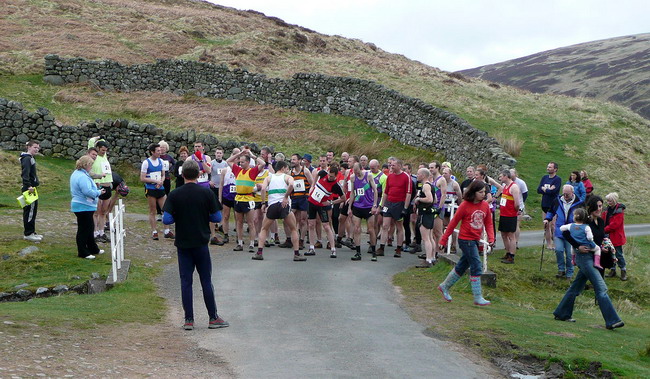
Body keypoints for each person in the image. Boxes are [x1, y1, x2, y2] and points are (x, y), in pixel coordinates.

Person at [162, 159, 229, 331]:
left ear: (182, 175)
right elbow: (217, 218)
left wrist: (180, 216)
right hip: (201, 242)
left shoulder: (175, 194)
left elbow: (167, 219)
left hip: (183, 243)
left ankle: (189, 319)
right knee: (206, 280)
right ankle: (213, 317)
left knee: (186, 281)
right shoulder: (206, 193)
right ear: (199, 174)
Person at [552, 198, 625, 330]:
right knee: (601, 288)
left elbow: (601, 238)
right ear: (590, 208)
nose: (599, 208)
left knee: (575, 287)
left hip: (595, 256)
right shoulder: (584, 222)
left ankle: (561, 313)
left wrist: (604, 247)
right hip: (584, 257)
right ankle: (612, 320)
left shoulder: (601, 222)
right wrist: (577, 246)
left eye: (601, 206)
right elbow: (567, 233)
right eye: (597, 206)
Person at [437, 181, 495, 306]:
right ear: (473, 193)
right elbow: (453, 223)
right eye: (480, 192)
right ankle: (477, 296)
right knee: (476, 264)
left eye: (484, 192)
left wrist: (491, 238)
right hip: (465, 240)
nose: (483, 194)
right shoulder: (464, 205)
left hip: (475, 239)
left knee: (462, 266)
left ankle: (444, 286)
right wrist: (443, 240)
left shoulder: (485, 205)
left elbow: (489, 223)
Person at [253, 161, 307, 261]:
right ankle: (296, 254)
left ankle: (259, 252)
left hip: (272, 205)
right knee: (294, 229)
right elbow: (292, 185)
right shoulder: (287, 177)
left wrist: (264, 203)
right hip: (283, 205)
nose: (288, 170)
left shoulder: (269, 177)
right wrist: (286, 196)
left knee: (264, 229)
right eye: (287, 169)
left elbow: (263, 188)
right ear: (283, 168)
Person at [226, 147, 265, 252]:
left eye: (243, 162)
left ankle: (252, 243)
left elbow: (263, 163)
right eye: (240, 162)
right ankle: (239, 243)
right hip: (239, 198)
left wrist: (252, 155)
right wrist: (239, 155)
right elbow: (228, 161)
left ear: (248, 162)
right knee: (239, 222)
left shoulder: (252, 171)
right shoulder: (237, 170)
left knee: (250, 222)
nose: (241, 163)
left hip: (248, 198)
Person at [544, 185, 583, 279]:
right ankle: (561, 269)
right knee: (558, 250)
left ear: (572, 193)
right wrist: (547, 219)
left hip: (572, 232)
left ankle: (569, 273)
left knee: (569, 255)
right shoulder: (557, 201)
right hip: (559, 230)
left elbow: (583, 215)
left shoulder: (579, 202)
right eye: (564, 193)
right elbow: (551, 211)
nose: (565, 195)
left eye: (567, 194)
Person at [70, 156, 105, 259]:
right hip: (83, 206)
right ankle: (83, 252)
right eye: (91, 165)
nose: (91, 167)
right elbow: (87, 191)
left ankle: (93, 248)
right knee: (84, 229)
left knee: (89, 228)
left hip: (84, 205)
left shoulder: (79, 174)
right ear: (86, 165)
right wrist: (99, 192)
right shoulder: (82, 176)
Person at [307, 165, 345, 258]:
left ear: (336, 176)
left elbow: (343, 198)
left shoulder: (336, 185)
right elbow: (317, 174)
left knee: (326, 226)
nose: (329, 177)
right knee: (311, 224)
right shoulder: (323, 174)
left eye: (331, 176)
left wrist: (331, 202)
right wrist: (313, 185)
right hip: (312, 202)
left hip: (322, 205)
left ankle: (333, 249)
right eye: (329, 175)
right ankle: (311, 248)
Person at [377, 158, 412, 258]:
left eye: (393, 165)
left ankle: (399, 248)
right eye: (391, 165)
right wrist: (382, 205)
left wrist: (405, 207)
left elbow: (408, 193)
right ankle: (382, 247)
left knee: (399, 226)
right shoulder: (390, 177)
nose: (391, 167)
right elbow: (386, 192)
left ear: (400, 166)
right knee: (385, 225)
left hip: (399, 203)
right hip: (389, 203)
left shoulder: (406, 177)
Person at [141, 143, 173, 240]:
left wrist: (161, 181)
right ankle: (154, 231)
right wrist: (155, 181)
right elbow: (142, 178)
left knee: (165, 209)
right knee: (152, 211)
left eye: (160, 150)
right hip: (151, 189)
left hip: (160, 188)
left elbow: (163, 174)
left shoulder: (161, 161)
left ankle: (167, 230)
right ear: (152, 152)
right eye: (158, 151)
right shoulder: (146, 163)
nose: (160, 152)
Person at [348, 162, 379, 261]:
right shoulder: (353, 178)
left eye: (357, 171)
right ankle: (358, 252)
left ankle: (374, 252)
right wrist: (349, 207)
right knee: (357, 229)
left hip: (368, 206)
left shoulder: (368, 176)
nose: (356, 173)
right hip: (357, 206)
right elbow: (352, 193)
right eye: (354, 171)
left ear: (361, 169)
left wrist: (375, 205)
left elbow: (375, 190)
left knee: (371, 230)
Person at [91, 140, 114, 243]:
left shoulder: (105, 157)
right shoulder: (94, 158)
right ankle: (95, 233)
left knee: (104, 212)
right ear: (98, 149)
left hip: (108, 186)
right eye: (102, 150)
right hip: (99, 186)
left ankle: (102, 232)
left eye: (105, 151)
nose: (104, 152)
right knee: (96, 211)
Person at [20, 141, 42, 242]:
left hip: (32, 187)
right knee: (30, 210)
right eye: (34, 147)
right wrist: (28, 185)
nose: (36, 149)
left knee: (32, 210)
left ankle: (31, 231)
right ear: (28, 147)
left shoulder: (31, 158)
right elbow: (25, 173)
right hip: (29, 188)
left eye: (38, 148)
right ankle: (28, 233)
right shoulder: (27, 158)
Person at [414, 168, 436, 268]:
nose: (417, 175)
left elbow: (430, 199)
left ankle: (428, 260)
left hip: (425, 214)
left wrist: (419, 199)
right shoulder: (430, 185)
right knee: (430, 237)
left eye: (418, 174)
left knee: (426, 238)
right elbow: (435, 200)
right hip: (429, 213)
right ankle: (432, 258)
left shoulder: (426, 186)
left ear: (423, 175)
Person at [603, 192, 628, 281]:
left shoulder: (619, 211)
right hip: (608, 235)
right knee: (610, 253)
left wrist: (604, 229)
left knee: (618, 254)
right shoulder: (607, 210)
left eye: (610, 201)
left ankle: (623, 270)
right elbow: (603, 219)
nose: (608, 202)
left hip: (616, 236)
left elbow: (615, 225)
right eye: (608, 201)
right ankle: (612, 270)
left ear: (614, 200)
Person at [498, 170, 521, 264]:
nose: (500, 178)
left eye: (501, 176)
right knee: (503, 234)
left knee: (511, 235)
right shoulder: (505, 186)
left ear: (506, 176)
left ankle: (512, 255)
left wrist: (515, 211)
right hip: (503, 213)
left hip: (510, 214)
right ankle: (507, 252)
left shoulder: (514, 187)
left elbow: (517, 203)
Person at [537, 162, 562, 249]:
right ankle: (549, 244)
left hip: (553, 205)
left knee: (553, 225)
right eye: (548, 167)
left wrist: (545, 189)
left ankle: (556, 243)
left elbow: (553, 192)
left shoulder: (557, 179)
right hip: (544, 204)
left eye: (550, 167)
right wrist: (547, 189)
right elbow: (539, 189)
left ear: (555, 169)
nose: (548, 168)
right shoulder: (544, 178)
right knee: (546, 225)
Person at [218, 148, 240, 244]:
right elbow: (221, 184)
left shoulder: (240, 169)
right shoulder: (225, 170)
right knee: (225, 216)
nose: (236, 159)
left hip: (237, 195)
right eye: (234, 156)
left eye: (238, 157)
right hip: (227, 195)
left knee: (238, 217)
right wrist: (220, 198)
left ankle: (238, 236)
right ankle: (226, 234)